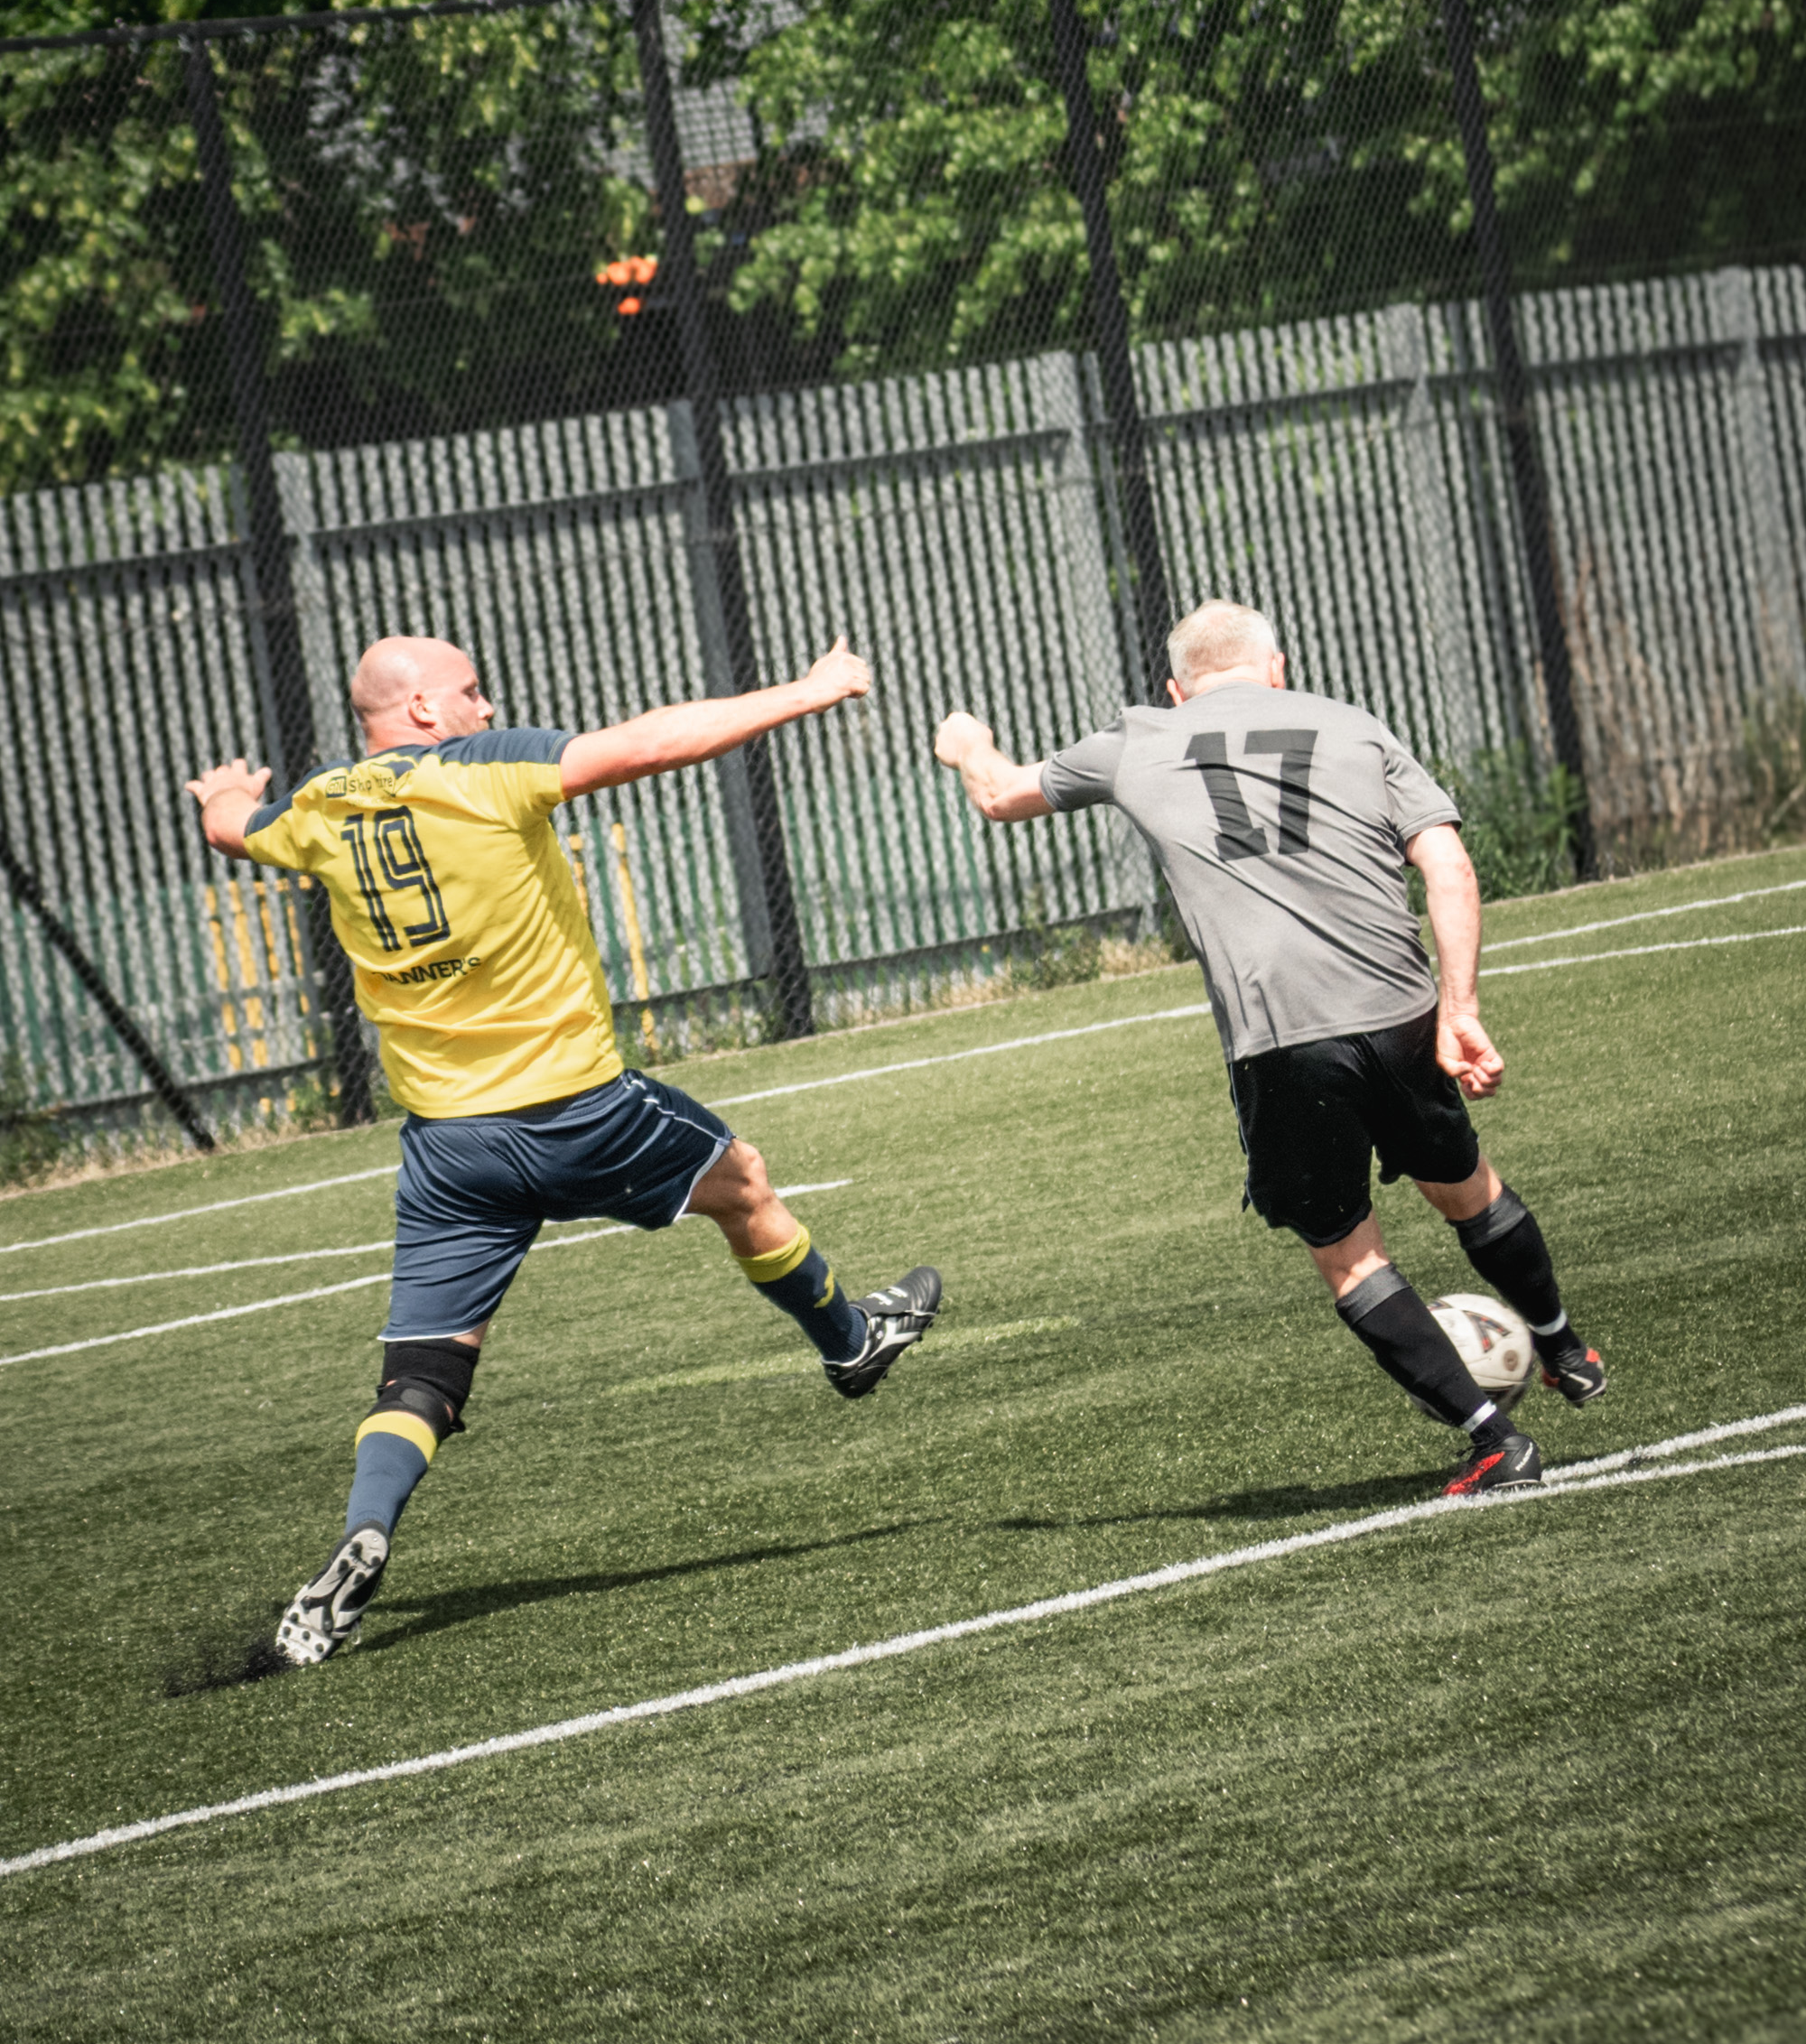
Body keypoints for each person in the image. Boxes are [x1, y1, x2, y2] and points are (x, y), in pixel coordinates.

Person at [186, 633, 941, 1665]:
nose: (486, 702)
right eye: (469, 690)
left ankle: (364, 1535)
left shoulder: (319, 808)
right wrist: (807, 693)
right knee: (744, 1183)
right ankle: (850, 1345)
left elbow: (236, 828)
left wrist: (218, 794)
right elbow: (644, 745)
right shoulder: (480, 769)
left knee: (422, 1375)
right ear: (417, 711)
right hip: (576, 1110)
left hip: (450, 1147)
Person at [933, 598, 1604, 1496]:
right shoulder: (1353, 728)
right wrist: (1461, 1007)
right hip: (1398, 1009)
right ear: (1276, 668)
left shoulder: (1138, 738)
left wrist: (966, 743)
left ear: (1175, 687)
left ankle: (1493, 1441)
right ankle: (1562, 1346)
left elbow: (996, 795)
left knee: (1347, 1251)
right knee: (1463, 1187)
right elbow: (1445, 862)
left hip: (1281, 1038)